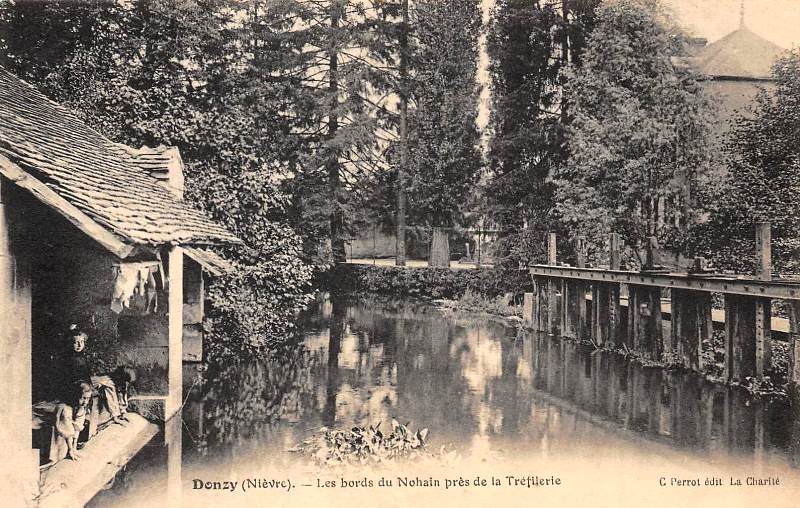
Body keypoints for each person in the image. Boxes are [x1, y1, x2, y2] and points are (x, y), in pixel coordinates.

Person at [53, 381, 92, 461]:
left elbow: (77, 426)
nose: (85, 401)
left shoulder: (82, 406)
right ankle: (70, 450)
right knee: (66, 413)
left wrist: (74, 448)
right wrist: (70, 450)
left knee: (80, 416)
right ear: (76, 396)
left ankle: (74, 448)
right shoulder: (66, 407)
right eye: (83, 398)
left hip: (72, 415)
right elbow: (69, 430)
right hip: (62, 417)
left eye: (88, 398)